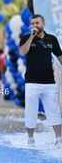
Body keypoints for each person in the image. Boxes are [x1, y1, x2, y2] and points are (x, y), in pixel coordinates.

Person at [19, 14, 62, 148]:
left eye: (37, 23)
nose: (34, 25)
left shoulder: (52, 39)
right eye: (32, 23)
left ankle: (59, 139)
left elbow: (60, 56)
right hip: (32, 82)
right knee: (31, 111)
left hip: (49, 82)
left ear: (43, 24)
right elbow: (22, 52)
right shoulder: (26, 38)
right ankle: (31, 139)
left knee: (53, 110)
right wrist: (32, 36)